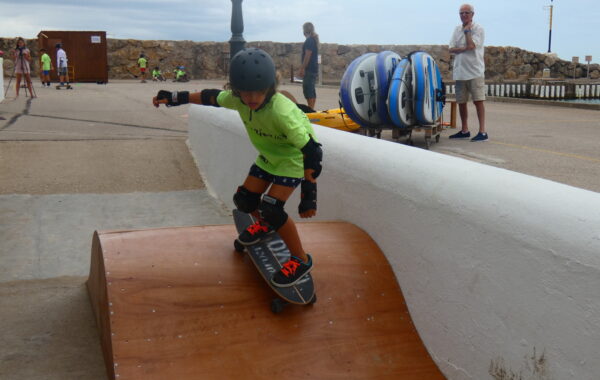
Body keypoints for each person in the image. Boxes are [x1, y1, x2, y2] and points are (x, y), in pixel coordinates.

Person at [152, 48, 322, 287]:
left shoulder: (281, 112)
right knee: (245, 201)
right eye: (245, 93)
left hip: (293, 160)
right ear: (236, 90)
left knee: (272, 209)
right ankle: (264, 225)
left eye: (259, 92)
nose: (252, 99)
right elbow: (210, 97)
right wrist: (175, 97)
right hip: (269, 157)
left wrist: (309, 196)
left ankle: (301, 259)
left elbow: (313, 152)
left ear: (270, 88)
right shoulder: (239, 100)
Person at [448, 4, 488, 142]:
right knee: (462, 102)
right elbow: (451, 48)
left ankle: (482, 132)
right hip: (460, 72)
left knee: (478, 101)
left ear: (472, 14)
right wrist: (463, 48)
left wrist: (467, 32)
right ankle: (465, 130)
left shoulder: (479, 29)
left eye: (466, 13)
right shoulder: (456, 29)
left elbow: (471, 46)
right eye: (461, 13)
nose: (464, 15)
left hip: (475, 71)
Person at [298, 22, 319, 110]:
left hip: (309, 70)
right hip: (313, 69)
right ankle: (312, 108)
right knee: (311, 90)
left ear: (305, 30)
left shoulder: (309, 40)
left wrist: (302, 68)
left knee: (308, 90)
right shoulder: (313, 40)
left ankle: (311, 110)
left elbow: (308, 55)